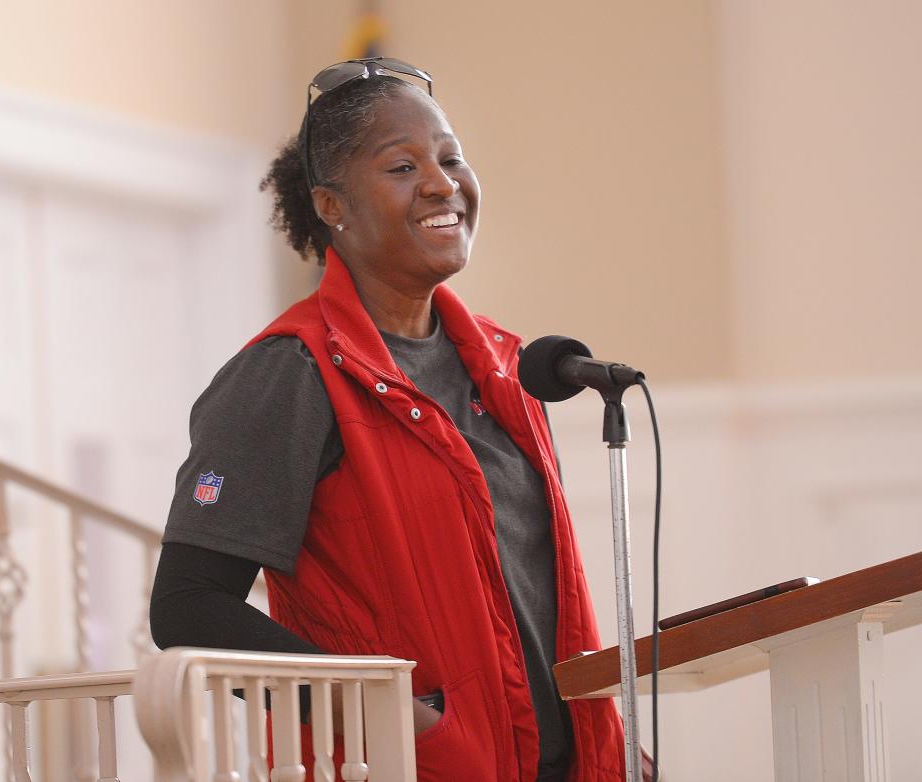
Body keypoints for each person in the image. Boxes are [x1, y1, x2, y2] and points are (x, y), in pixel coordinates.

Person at [151, 57, 626, 782]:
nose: (442, 183)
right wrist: (391, 713)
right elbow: (189, 608)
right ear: (332, 206)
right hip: (410, 767)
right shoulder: (291, 372)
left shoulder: (509, 367)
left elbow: (534, 602)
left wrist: (610, 745)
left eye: (450, 158)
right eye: (402, 166)